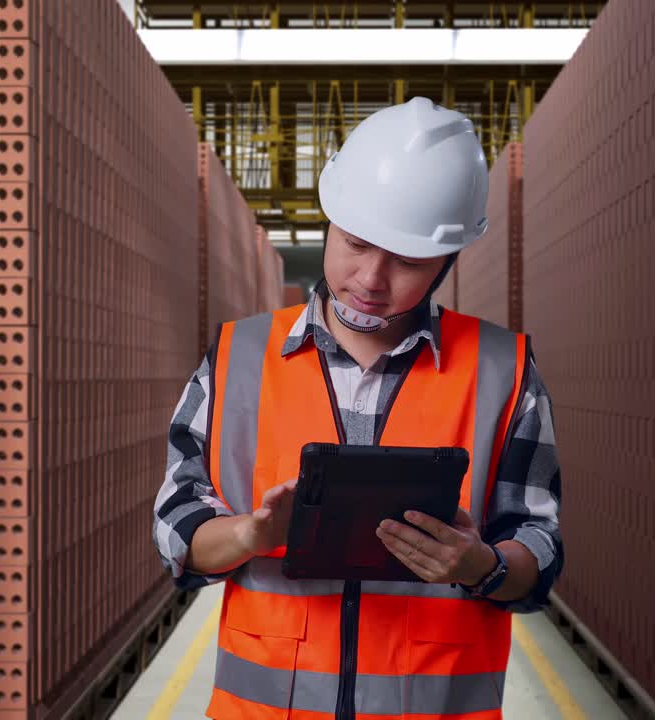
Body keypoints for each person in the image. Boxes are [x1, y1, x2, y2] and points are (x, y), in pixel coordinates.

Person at [152, 96, 563, 720]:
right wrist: (250, 534)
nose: (371, 278)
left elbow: (537, 550)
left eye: (407, 261)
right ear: (331, 219)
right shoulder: (238, 358)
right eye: (356, 244)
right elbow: (176, 526)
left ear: (447, 261)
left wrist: (481, 565)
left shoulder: (503, 371)